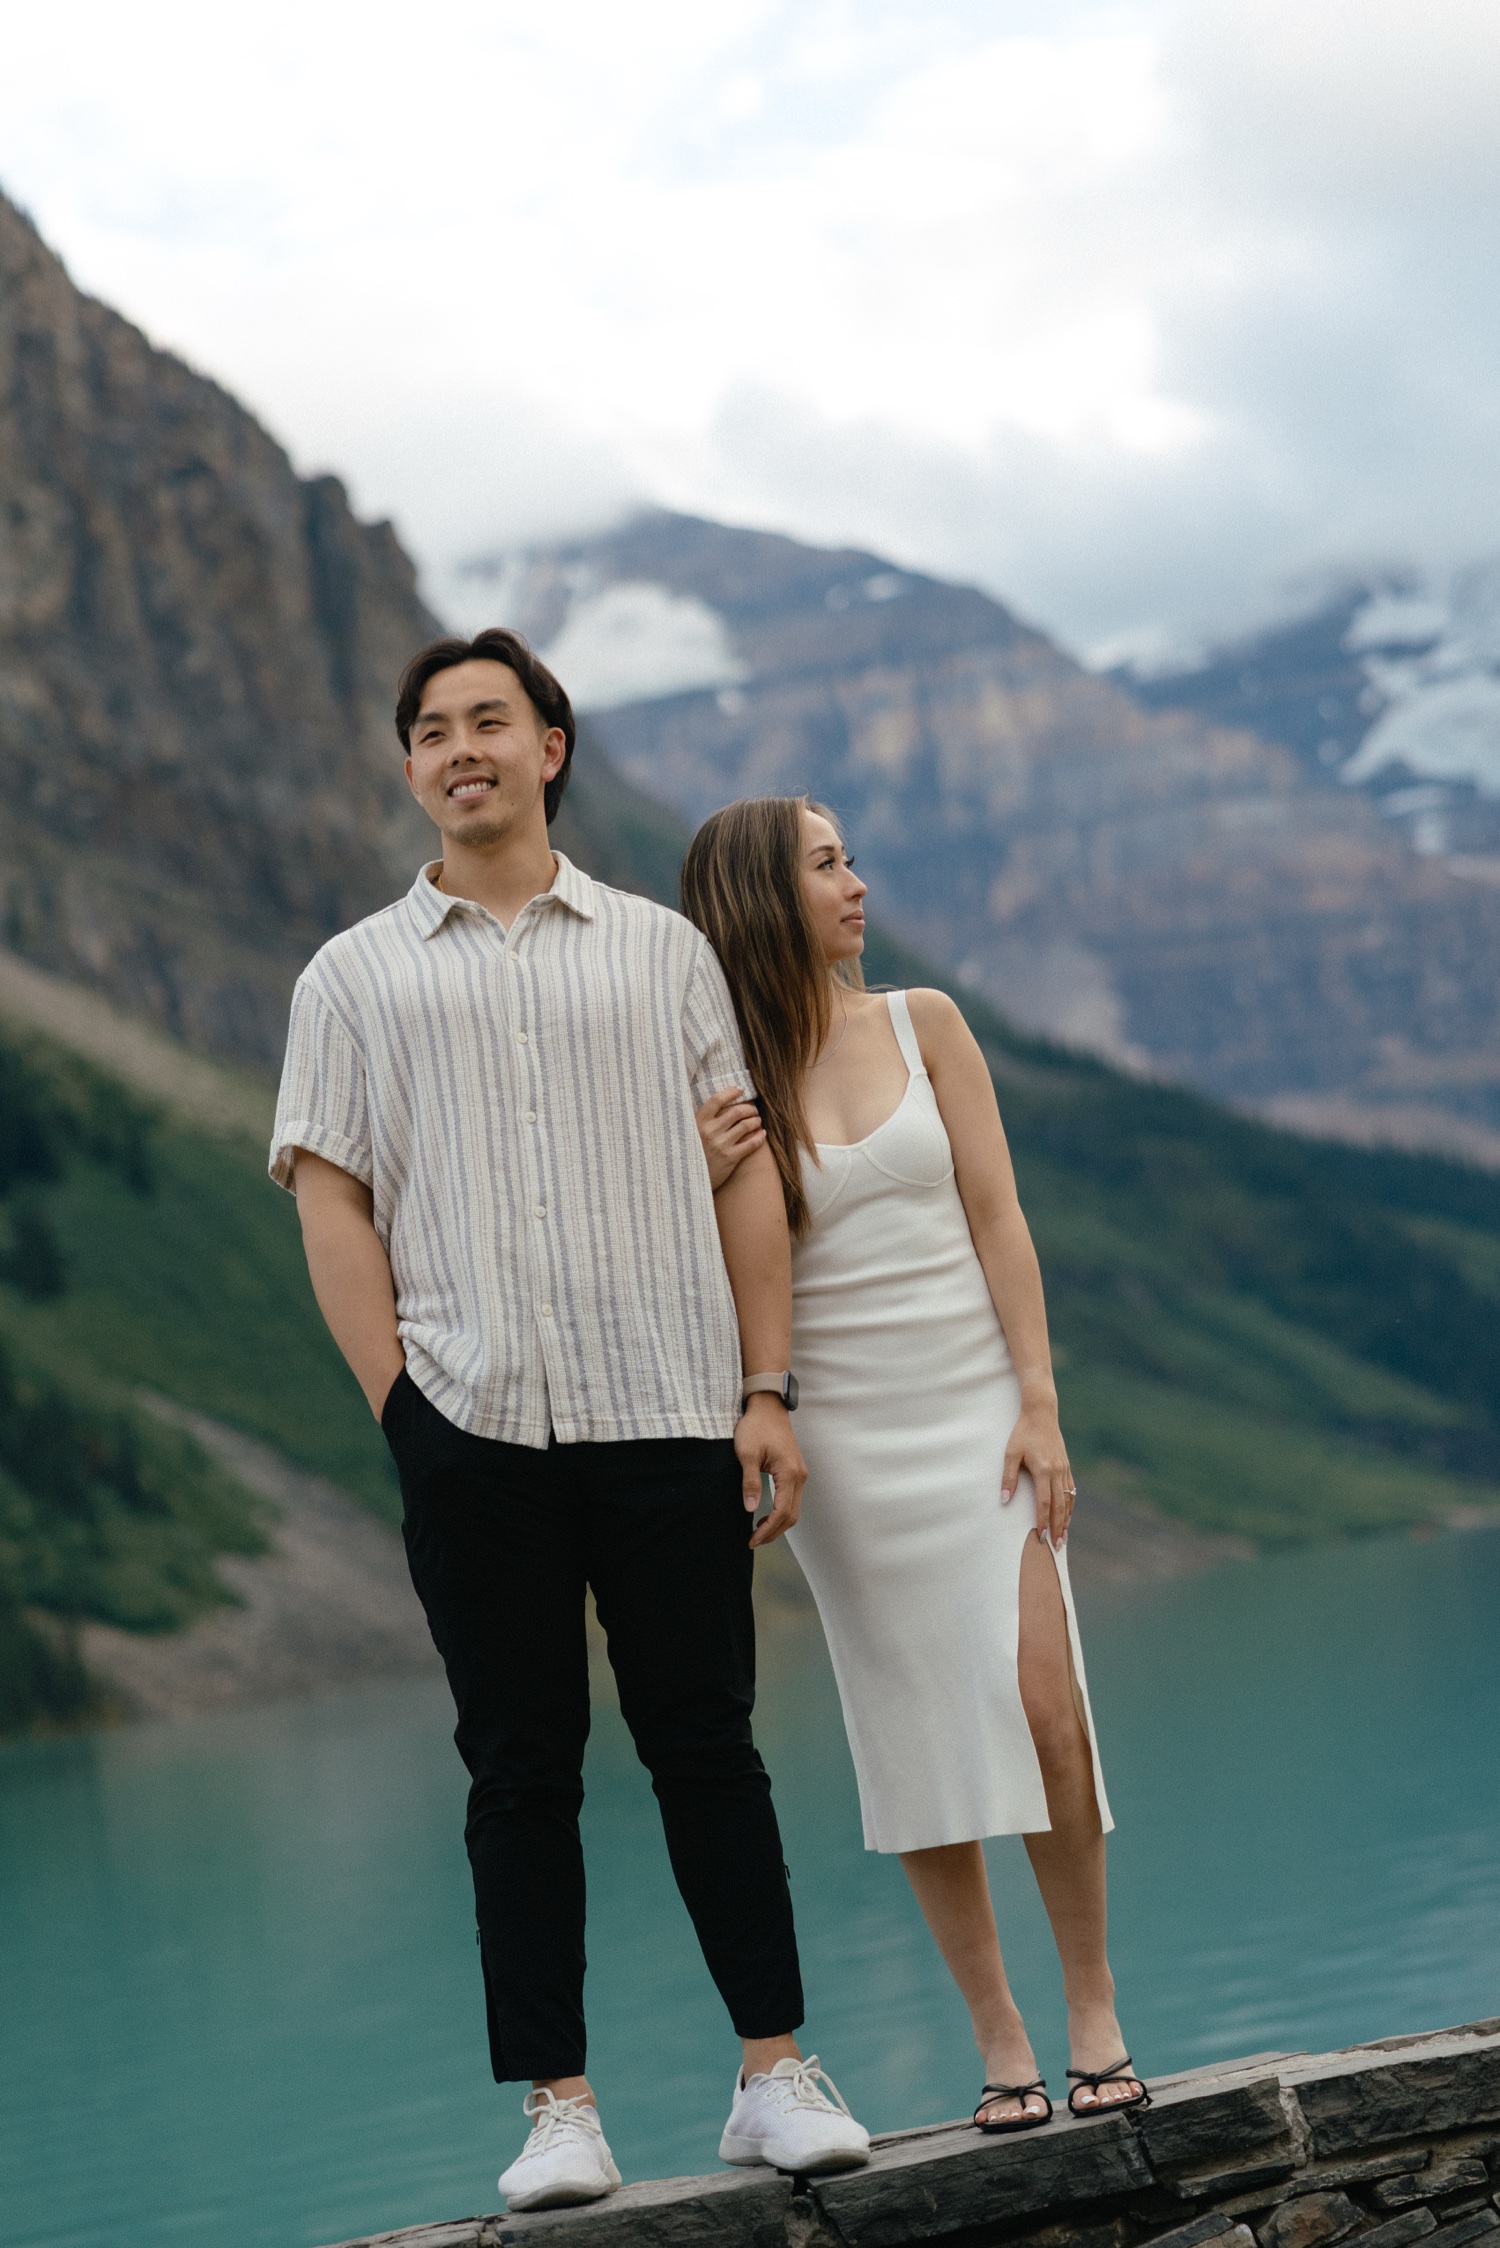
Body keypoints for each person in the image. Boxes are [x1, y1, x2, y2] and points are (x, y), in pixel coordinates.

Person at [269, 635, 870, 2212]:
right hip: (471, 1424)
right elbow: (331, 1199)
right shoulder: (352, 976)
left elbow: (742, 1170)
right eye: (429, 731)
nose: (459, 748)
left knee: (708, 1749)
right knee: (519, 1771)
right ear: (409, 769)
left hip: (668, 1407)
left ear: (551, 746)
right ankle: (558, 2110)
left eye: (490, 721)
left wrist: (765, 1388)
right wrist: (403, 1411)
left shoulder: (664, 955)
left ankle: (773, 2072)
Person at [681, 795, 1146, 2134]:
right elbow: (718, 1280)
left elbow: (999, 1215)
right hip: (849, 1448)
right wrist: (692, 1168)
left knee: (1048, 1708)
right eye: (829, 865)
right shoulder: (720, 1083)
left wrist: (1040, 1401)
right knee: (918, 1743)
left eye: (850, 861)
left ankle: (1095, 2007)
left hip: (978, 1411)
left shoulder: (923, 1021)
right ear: (768, 896)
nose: (859, 884)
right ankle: (1002, 2043)